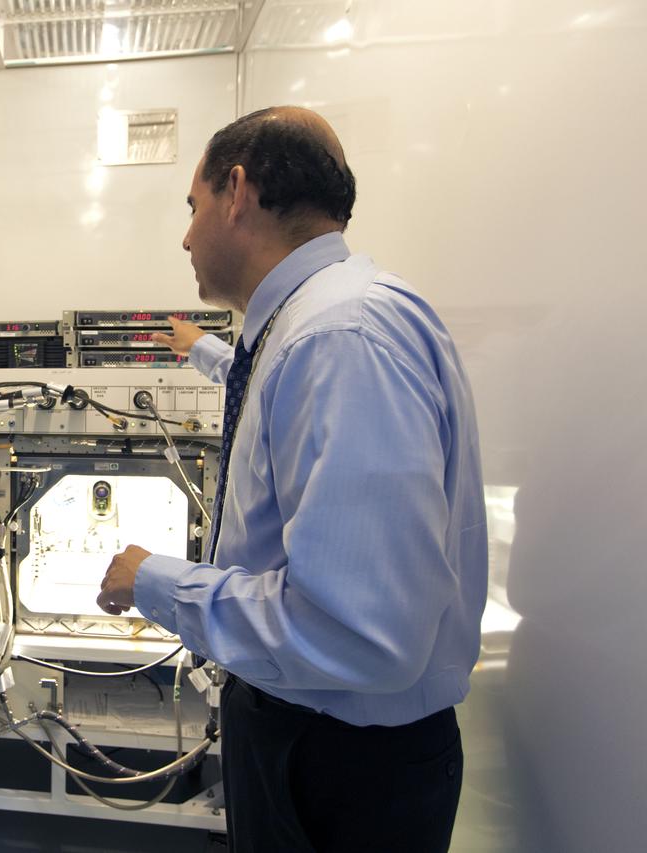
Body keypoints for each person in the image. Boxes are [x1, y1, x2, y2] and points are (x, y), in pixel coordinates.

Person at [97, 107, 487, 852]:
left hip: (339, 765)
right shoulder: (314, 323)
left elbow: (360, 634)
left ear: (238, 192)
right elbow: (271, 396)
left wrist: (156, 581)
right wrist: (204, 350)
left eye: (192, 206)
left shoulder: (342, 337)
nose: (186, 237)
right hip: (324, 743)